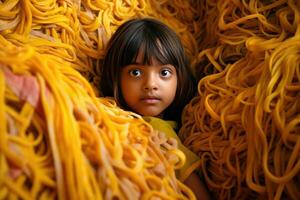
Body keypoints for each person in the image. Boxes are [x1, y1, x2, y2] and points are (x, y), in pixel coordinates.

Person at [99, 17, 211, 200]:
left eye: (164, 73)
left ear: (179, 79)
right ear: (116, 78)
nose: (150, 84)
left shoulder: (159, 128)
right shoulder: (139, 124)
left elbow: (192, 185)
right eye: (135, 72)